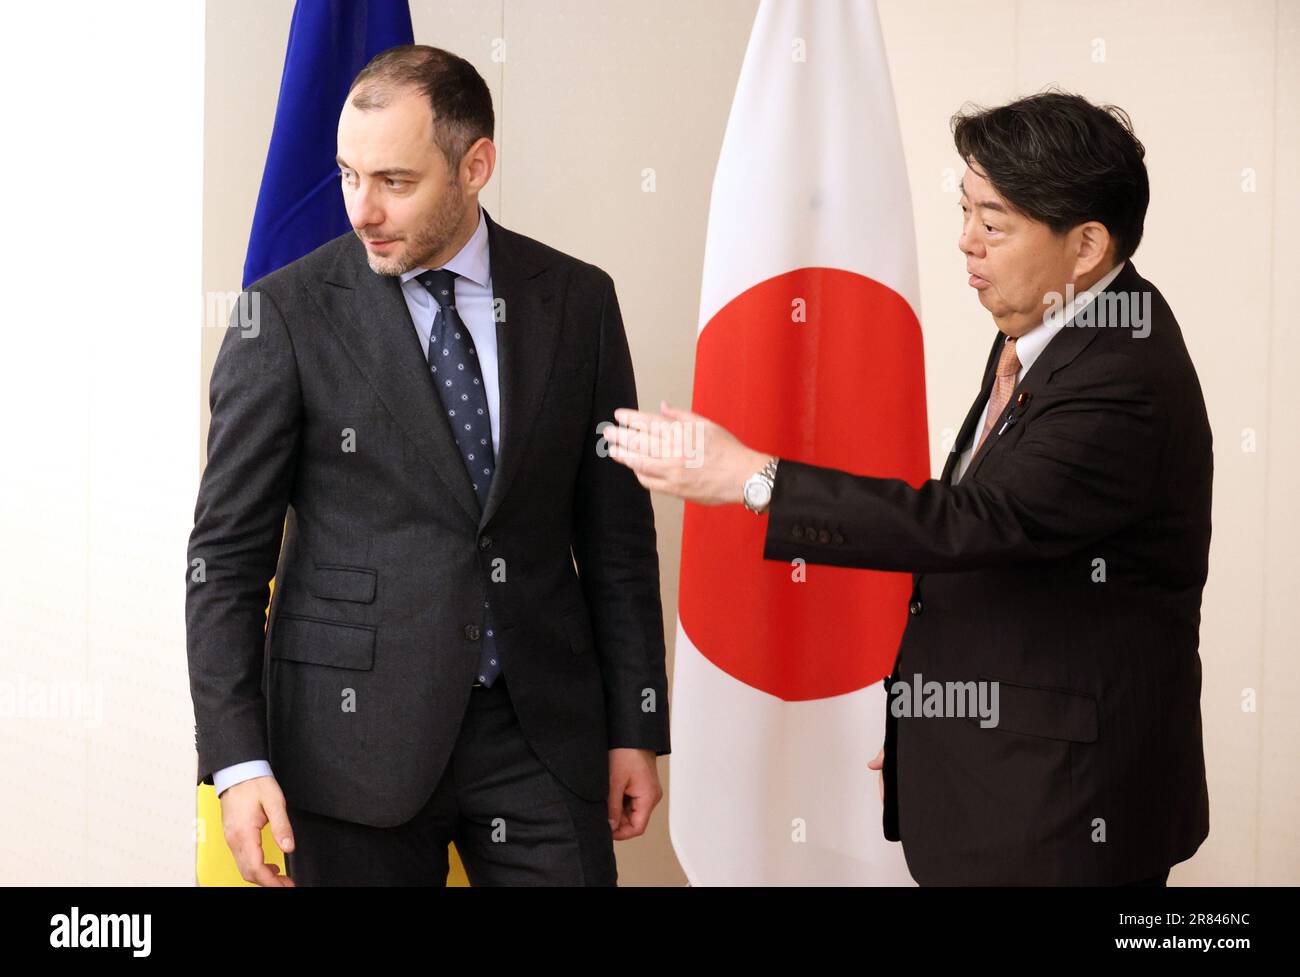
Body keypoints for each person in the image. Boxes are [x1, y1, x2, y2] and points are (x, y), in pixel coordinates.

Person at [607, 92, 1210, 886]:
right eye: (964, 210)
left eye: (993, 224)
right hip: (999, 777)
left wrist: (751, 478)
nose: (965, 242)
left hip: (1062, 812)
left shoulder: (1122, 373)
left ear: (1088, 243)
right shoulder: (1056, 325)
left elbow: (973, 520)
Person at [187, 45, 669, 886]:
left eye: (395, 182)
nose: (362, 210)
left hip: (540, 737)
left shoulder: (579, 300)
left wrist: (635, 722)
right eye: (347, 175)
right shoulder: (282, 317)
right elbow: (225, 560)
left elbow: (617, 540)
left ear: (475, 165)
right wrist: (237, 762)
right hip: (346, 749)